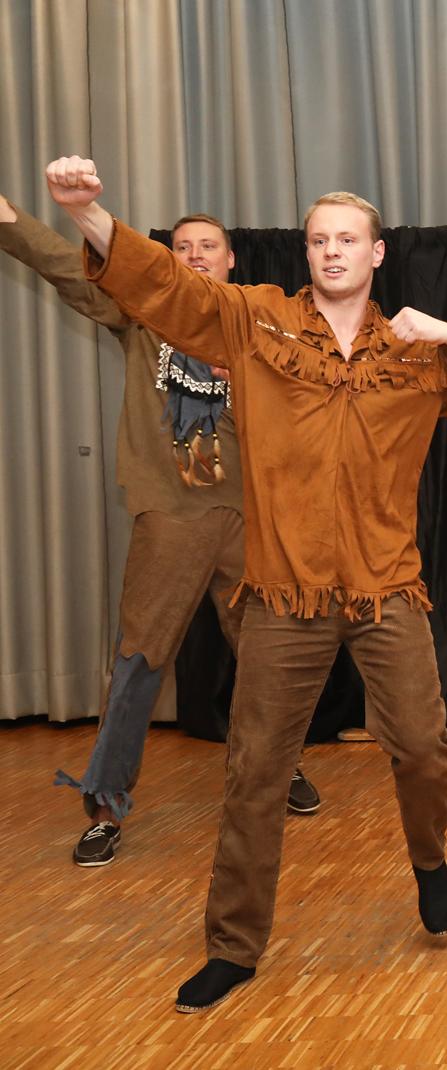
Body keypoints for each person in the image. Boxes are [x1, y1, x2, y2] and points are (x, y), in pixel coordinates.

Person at [46, 154, 447, 1013]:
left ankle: (429, 859)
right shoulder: (256, 324)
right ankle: (232, 947)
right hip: (283, 593)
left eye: (347, 239)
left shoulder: (414, 351)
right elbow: (166, 287)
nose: (332, 251)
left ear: (376, 253)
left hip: (386, 589)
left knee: (424, 749)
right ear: (306, 251)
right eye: (318, 240)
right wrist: (89, 213)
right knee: (254, 772)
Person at [1, 194, 322, 868]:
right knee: (139, 661)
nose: (195, 255)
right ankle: (105, 805)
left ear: (232, 260)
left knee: (269, 656)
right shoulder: (142, 312)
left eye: (208, 246)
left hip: (253, 518)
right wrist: (10, 221)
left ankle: (277, 765)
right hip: (173, 515)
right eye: (182, 247)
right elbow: (69, 268)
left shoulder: (260, 322)